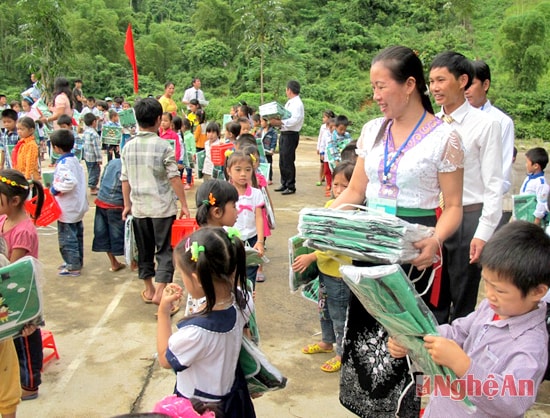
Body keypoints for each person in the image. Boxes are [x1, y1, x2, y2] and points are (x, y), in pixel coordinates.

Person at [330, 46, 465, 417]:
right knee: (364, 342)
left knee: (404, 349)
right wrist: (322, 220)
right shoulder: (373, 130)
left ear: (409, 85)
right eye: (372, 87)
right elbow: (356, 191)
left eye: (380, 86)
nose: (375, 96)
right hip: (368, 250)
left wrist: (435, 239)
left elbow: (453, 207)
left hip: (411, 258)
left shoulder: (444, 138)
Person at [388, 221, 550, 417]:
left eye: (499, 290)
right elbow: (460, 331)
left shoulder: (530, 346)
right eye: (487, 284)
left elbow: (512, 401)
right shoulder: (490, 308)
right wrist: (415, 339)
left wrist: (463, 365)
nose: (489, 294)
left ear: (537, 291)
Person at [429, 51, 503, 323]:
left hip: (468, 218)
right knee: (432, 292)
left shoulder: (486, 125)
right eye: (431, 81)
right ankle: (431, 355)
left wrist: (483, 232)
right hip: (434, 216)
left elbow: (494, 184)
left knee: (462, 299)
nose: (434, 87)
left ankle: (458, 357)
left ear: (462, 80)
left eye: (441, 80)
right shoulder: (430, 124)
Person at [156, 227, 255, 417]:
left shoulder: (195, 334)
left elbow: (164, 358)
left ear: (197, 278)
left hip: (200, 408)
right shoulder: (243, 299)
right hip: (233, 398)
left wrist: (163, 312)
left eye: (182, 276)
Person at [120, 98, 190, 307]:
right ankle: (161, 291)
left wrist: (127, 205)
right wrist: (184, 204)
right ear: (159, 120)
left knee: (144, 250)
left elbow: (125, 179)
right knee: (165, 250)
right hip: (162, 208)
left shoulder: (128, 147)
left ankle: (149, 289)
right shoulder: (163, 146)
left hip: (139, 208)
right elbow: (174, 177)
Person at [292, 160, 355, 373]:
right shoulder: (330, 207)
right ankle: (327, 342)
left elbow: (335, 244)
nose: (338, 191)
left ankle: (342, 352)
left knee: (339, 314)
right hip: (325, 273)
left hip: (339, 275)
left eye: (344, 187)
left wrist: (312, 256)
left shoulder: (352, 213)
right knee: (323, 309)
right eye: (335, 184)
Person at [0, 169, 45, 402]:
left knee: (26, 339)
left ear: (15, 200)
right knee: (11, 341)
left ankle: (30, 384)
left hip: (22, 295)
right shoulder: (3, 220)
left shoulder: (24, 232)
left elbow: (11, 268)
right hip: (6, 293)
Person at [465, 60, 515, 226]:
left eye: (471, 84)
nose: (465, 90)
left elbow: (502, 176)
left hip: (482, 208)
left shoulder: (501, 122)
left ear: (485, 84)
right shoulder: (448, 119)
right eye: (462, 84)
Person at [50, 129, 89, 276]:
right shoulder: (74, 161)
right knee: (76, 235)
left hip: (68, 208)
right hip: (76, 206)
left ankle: (73, 265)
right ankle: (76, 261)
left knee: (67, 238)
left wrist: (55, 189)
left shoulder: (64, 164)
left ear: (56, 148)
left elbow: (70, 182)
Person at [226, 151, 265, 289]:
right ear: (228, 171)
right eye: (238, 170)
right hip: (231, 241)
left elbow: (259, 217)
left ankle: (249, 304)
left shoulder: (256, 193)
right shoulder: (225, 192)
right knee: (231, 274)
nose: (243, 174)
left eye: (247, 170)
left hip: (252, 240)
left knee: (250, 275)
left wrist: (260, 241)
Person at [92, 157, 126, 272]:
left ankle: (114, 262)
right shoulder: (130, 165)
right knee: (127, 235)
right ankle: (134, 263)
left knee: (104, 234)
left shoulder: (113, 162)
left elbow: (102, 180)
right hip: (116, 203)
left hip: (102, 200)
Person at [271, 80, 304, 195]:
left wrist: (280, 122)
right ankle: (284, 183)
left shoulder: (297, 103)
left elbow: (294, 120)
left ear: (289, 90)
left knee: (288, 160)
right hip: (285, 133)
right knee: (282, 160)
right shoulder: (290, 102)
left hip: (291, 134)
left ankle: (290, 185)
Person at [519, 147, 549, 226]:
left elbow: (542, 204)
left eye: (527, 163)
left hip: (532, 219)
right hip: (523, 214)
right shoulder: (529, 178)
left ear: (536, 166)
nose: (526, 165)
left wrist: (535, 222)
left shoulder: (541, 184)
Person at [13, 116, 40, 181]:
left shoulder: (31, 144)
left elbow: (30, 162)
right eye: (18, 129)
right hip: (21, 174)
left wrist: (28, 178)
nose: (19, 131)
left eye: (22, 129)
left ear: (31, 130)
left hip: (29, 177)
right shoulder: (22, 143)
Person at [81, 112, 102, 195]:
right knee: (95, 171)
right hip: (93, 157)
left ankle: (93, 186)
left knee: (91, 170)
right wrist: (99, 158)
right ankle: (92, 187)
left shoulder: (86, 132)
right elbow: (96, 148)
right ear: (94, 122)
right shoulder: (94, 134)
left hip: (87, 156)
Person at [316, 110, 334, 188]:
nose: (323, 119)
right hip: (325, 152)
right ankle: (323, 180)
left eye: (324, 117)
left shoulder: (335, 128)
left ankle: (331, 183)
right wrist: (319, 149)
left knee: (332, 169)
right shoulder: (323, 128)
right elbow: (321, 139)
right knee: (324, 166)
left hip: (333, 154)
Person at [260, 116, 277, 185]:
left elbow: (274, 141)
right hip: (261, 149)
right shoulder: (260, 130)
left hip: (268, 150)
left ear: (267, 122)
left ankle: (269, 178)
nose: (261, 123)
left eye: (262, 121)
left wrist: (272, 149)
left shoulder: (273, 132)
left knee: (269, 164)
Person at [180, 118, 195, 190]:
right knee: (181, 168)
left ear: (185, 126)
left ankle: (188, 182)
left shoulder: (190, 135)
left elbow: (193, 146)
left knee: (189, 169)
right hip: (183, 155)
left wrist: (193, 154)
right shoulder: (181, 135)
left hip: (189, 154)